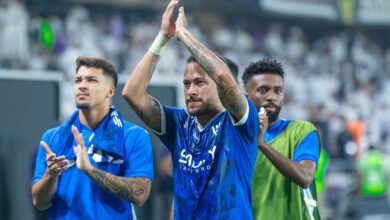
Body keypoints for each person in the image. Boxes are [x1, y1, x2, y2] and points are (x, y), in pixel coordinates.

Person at [122, 0, 259, 219]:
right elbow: (132, 93)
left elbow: (223, 76)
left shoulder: (240, 125)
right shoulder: (179, 124)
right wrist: (163, 38)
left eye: (199, 82)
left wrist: (184, 34)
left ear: (218, 87)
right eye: (187, 84)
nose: (191, 91)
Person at [32, 56, 154, 219]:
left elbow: (140, 194)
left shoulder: (134, 135)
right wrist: (50, 175)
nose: (82, 86)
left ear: (110, 91)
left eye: (91, 80)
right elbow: (39, 202)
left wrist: (90, 170)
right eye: (78, 80)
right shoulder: (53, 138)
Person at [242, 58, 321, 219]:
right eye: (263, 90)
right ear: (246, 96)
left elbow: (305, 176)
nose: (271, 97)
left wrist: (262, 145)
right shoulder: (236, 138)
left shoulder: (302, 131)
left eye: (278, 91)